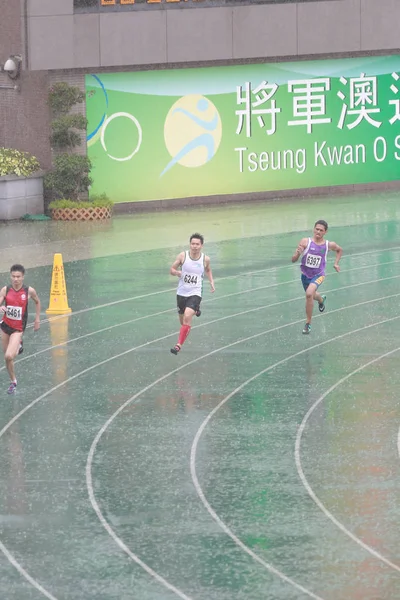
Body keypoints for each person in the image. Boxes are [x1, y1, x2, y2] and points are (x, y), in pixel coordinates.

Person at [291, 220, 342, 335]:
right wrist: (298, 253)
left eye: (321, 230)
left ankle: (308, 324)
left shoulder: (329, 245)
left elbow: (339, 250)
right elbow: (293, 260)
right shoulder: (305, 242)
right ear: (313, 229)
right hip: (305, 276)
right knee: (313, 296)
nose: (318, 232)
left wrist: (336, 263)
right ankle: (321, 300)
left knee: (309, 294)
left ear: (325, 232)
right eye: (317, 229)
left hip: (319, 275)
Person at [170, 233, 215, 355]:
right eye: (193, 244)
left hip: (195, 292)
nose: (195, 246)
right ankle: (196, 310)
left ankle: (178, 345)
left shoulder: (205, 259)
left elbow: (208, 269)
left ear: (201, 246)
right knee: (182, 321)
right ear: (190, 244)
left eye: (197, 244)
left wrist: (211, 281)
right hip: (181, 292)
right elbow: (171, 270)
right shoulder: (183, 256)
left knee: (187, 316)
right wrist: (177, 273)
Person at [0, 264, 41, 394]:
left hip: (18, 329)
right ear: (10, 276)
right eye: (13, 276)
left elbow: (37, 302)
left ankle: (18, 344)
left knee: (8, 355)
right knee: (8, 358)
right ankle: (13, 382)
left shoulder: (29, 291)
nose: (16, 279)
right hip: (5, 326)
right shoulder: (5, 290)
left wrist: (37, 319)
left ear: (23, 277)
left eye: (18, 276)